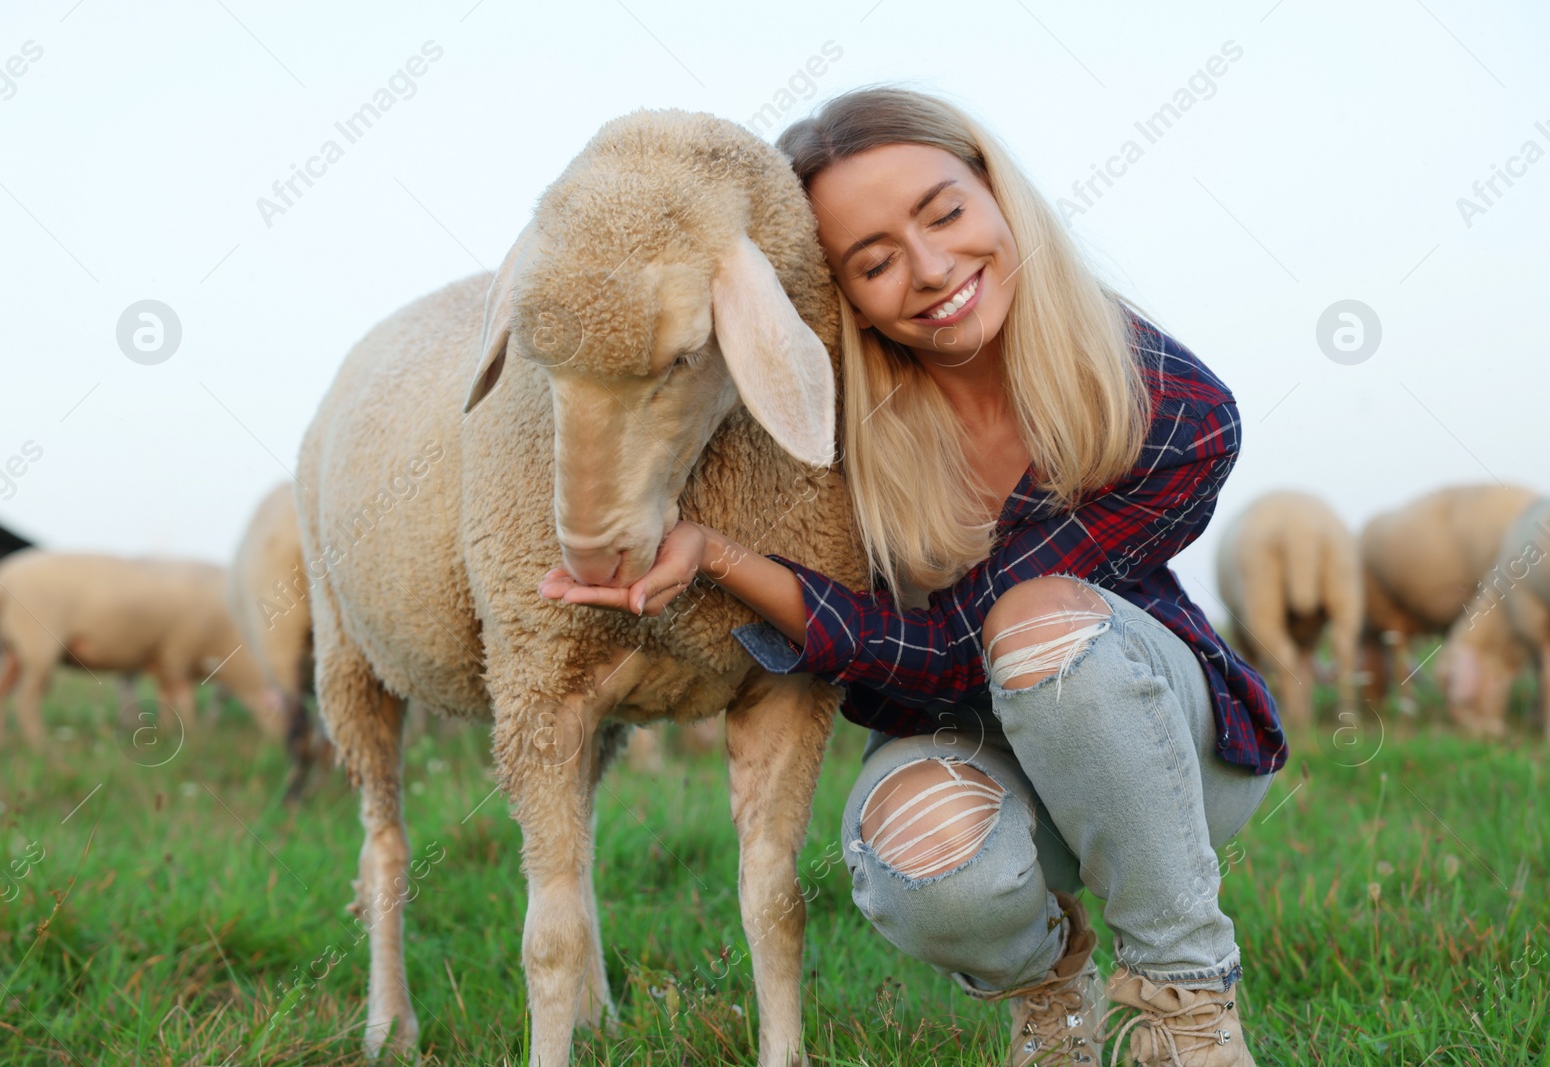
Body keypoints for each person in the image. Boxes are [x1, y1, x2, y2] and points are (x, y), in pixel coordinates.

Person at [539, 86, 1288, 1066]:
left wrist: (735, 562)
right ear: (838, 292)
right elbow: (934, 681)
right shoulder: (833, 429)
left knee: (1034, 619)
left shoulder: (1172, 406)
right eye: (874, 261)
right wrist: (708, 547)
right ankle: (1051, 998)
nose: (931, 271)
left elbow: (951, 648)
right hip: (977, 750)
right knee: (922, 852)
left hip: (1160, 760)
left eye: (944, 213)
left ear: (993, 189)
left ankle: (1184, 1004)